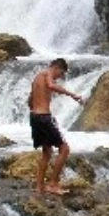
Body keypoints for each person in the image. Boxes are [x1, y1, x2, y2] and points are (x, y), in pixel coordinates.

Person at [27, 58, 83, 196]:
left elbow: (30, 100)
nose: (60, 77)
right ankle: (53, 183)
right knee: (64, 149)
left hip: (35, 117)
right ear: (57, 68)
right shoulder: (48, 73)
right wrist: (72, 95)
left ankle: (40, 187)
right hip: (44, 118)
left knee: (47, 153)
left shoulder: (37, 77)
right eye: (61, 74)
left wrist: (37, 108)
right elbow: (51, 85)